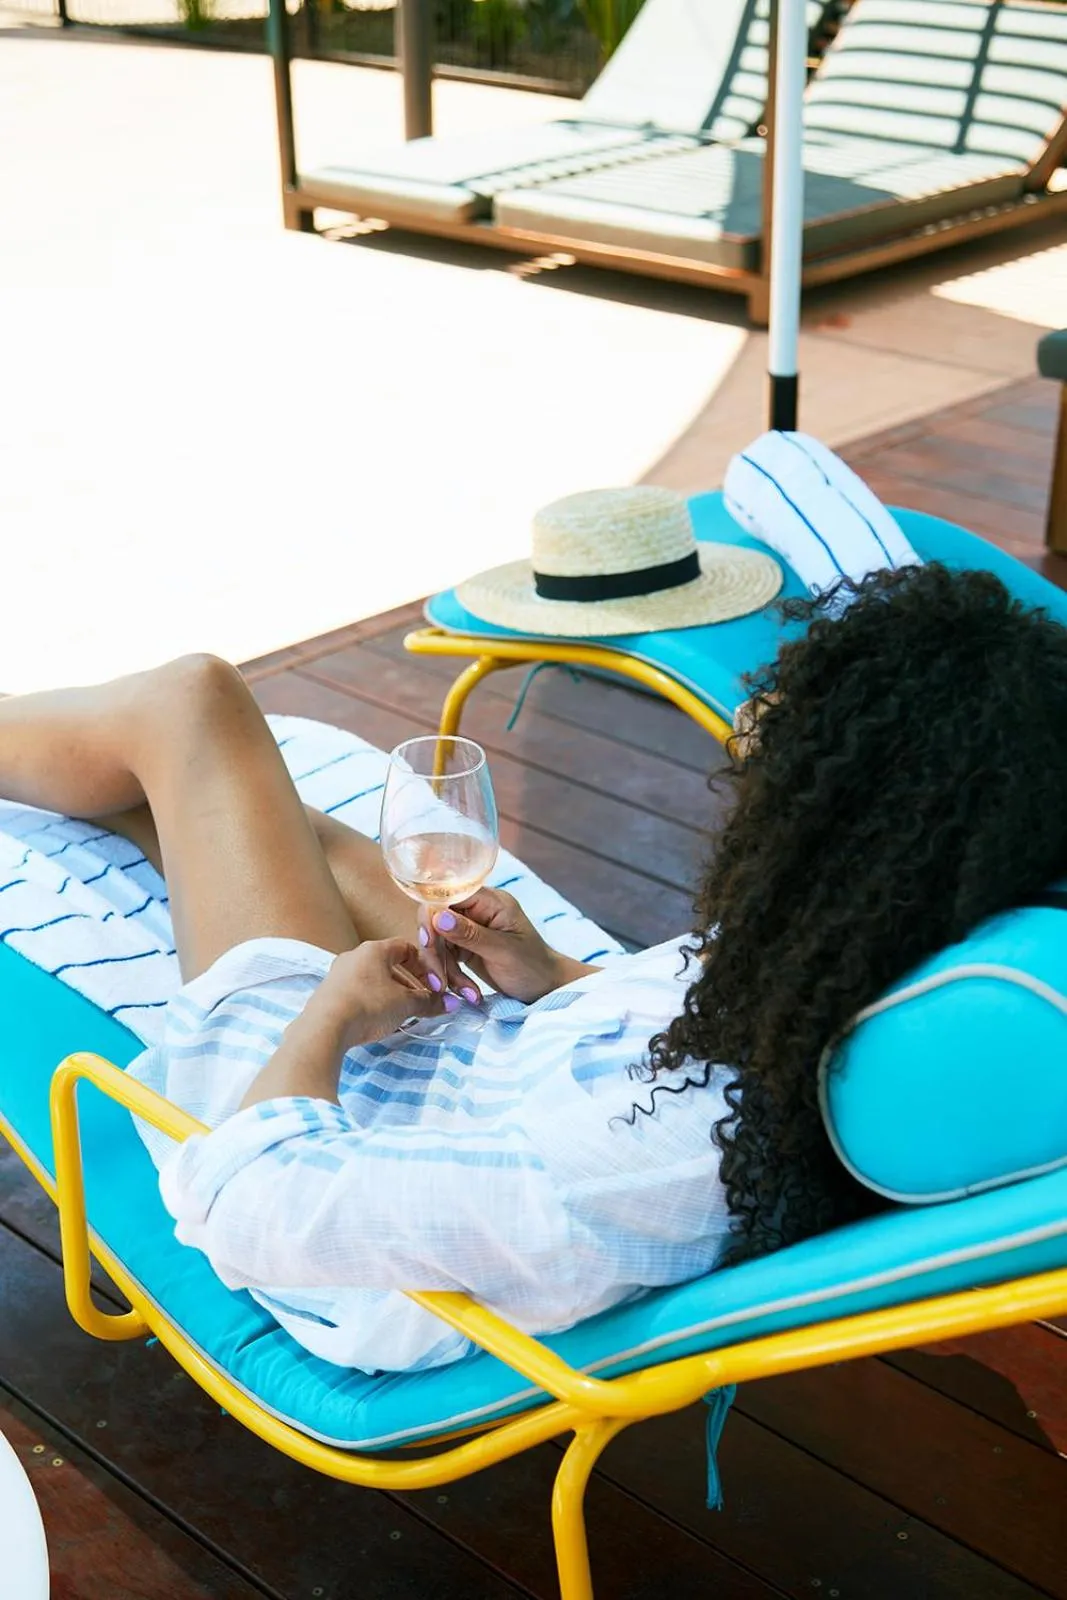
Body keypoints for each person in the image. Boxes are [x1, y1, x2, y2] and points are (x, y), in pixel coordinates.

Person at [1, 564, 1065, 1371]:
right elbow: (674, 1056)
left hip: (325, 1142)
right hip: (493, 1061)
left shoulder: (625, 1178)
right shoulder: (879, 954)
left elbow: (250, 1197)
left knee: (193, 704)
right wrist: (547, 970)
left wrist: (326, 1016)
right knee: (234, 804)